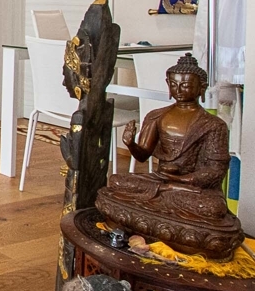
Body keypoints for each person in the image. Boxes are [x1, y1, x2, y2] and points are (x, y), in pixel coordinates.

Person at [96, 53, 243, 257]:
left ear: (201, 87)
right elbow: (142, 156)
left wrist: (182, 180)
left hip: (191, 189)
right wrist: (130, 143)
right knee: (116, 182)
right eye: (174, 85)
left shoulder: (213, 125)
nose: (179, 90)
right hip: (159, 182)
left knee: (213, 208)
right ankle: (165, 215)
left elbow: (215, 171)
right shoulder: (157, 116)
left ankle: (149, 218)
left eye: (185, 85)